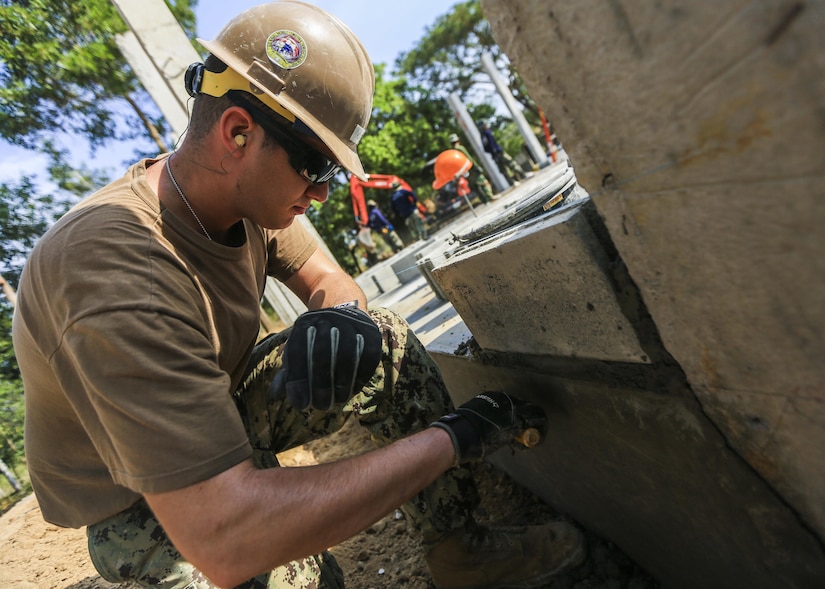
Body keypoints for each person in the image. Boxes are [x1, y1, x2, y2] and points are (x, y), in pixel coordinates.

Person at [12, 3, 585, 589]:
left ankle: (461, 553)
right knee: (292, 575)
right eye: (315, 166)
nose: (322, 193)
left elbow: (320, 270)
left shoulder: (242, 195)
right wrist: (457, 437)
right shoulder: (112, 270)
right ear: (238, 132)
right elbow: (224, 534)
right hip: (139, 492)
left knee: (377, 341)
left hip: (221, 408)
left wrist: (339, 314)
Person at [449, 132, 494, 203]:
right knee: (484, 182)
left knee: (475, 186)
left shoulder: (453, 152)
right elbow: (469, 158)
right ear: (457, 140)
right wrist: (476, 166)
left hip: (465, 172)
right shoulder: (460, 148)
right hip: (472, 169)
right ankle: (490, 197)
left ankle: (484, 201)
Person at [479, 121, 526, 186]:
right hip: (499, 153)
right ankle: (523, 175)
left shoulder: (482, 136)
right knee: (511, 163)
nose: (487, 125)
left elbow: (486, 149)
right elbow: (491, 144)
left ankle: (512, 182)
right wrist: (495, 150)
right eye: (485, 124)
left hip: (495, 155)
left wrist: (493, 152)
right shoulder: (487, 133)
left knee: (503, 169)